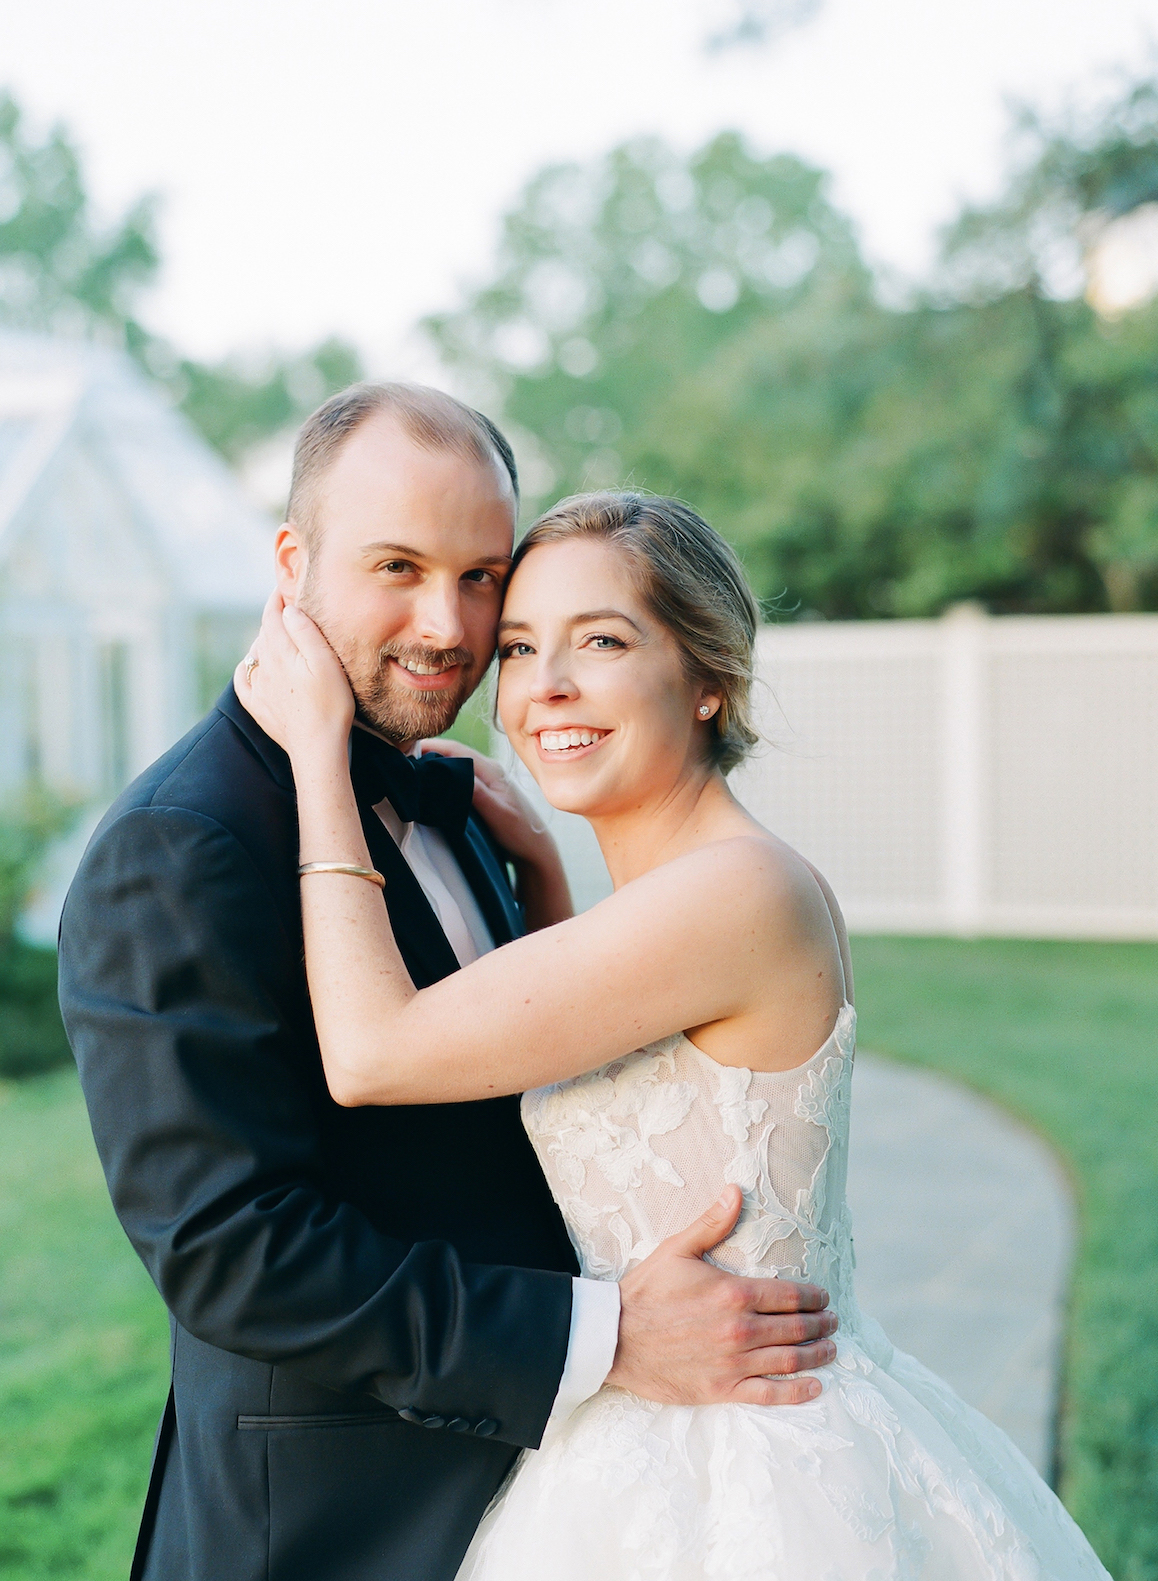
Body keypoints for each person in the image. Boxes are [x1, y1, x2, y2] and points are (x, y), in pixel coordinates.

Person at [236, 484, 1112, 1581]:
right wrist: (548, 877)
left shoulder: (741, 894)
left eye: (600, 639)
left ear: (709, 680)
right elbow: (622, 1056)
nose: (545, 684)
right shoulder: (679, 900)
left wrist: (317, 756)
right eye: (518, 647)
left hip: (751, 1476)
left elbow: (373, 1053)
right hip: (644, 1439)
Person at [57, 385, 841, 1581]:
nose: (449, 625)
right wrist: (602, 1335)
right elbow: (232, 1250)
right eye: (396, 566)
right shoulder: (182, 847)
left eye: (482, 577)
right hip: (339, 1526)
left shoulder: (462, 802)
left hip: (590, 1494)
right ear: (292, 561)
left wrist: (534, 882)